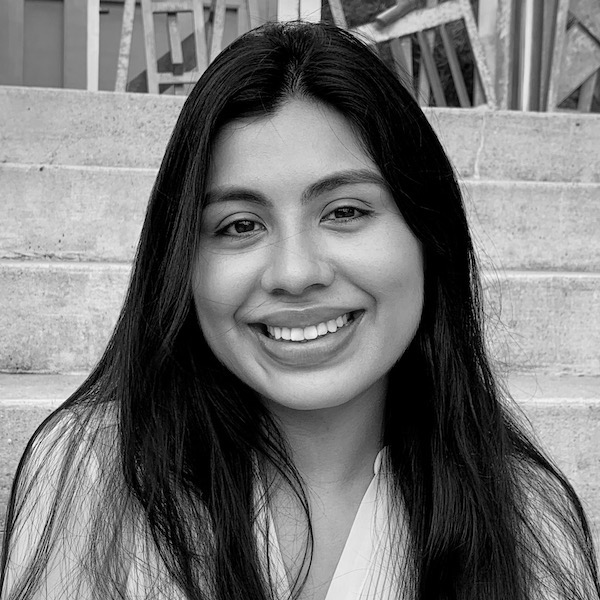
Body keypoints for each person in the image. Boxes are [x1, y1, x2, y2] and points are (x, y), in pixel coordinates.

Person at [1, 21, 598, 600]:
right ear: (182, 259)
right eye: (239, 225)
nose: (294, 273)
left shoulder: (525, 516)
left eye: (344, 211)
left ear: (428, 234)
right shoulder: (98, 477)